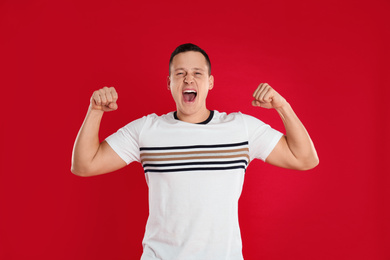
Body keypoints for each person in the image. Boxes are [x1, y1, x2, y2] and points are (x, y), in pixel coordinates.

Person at [71, 43, 319, 260]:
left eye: (197, 73)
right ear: (169, 83)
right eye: (180, 73)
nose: (189, 79)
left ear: (210, 82)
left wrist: (283, 107)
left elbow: (304, 158)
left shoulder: (240, 128)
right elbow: (85, 165)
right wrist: (95, 111)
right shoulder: (146, 130)